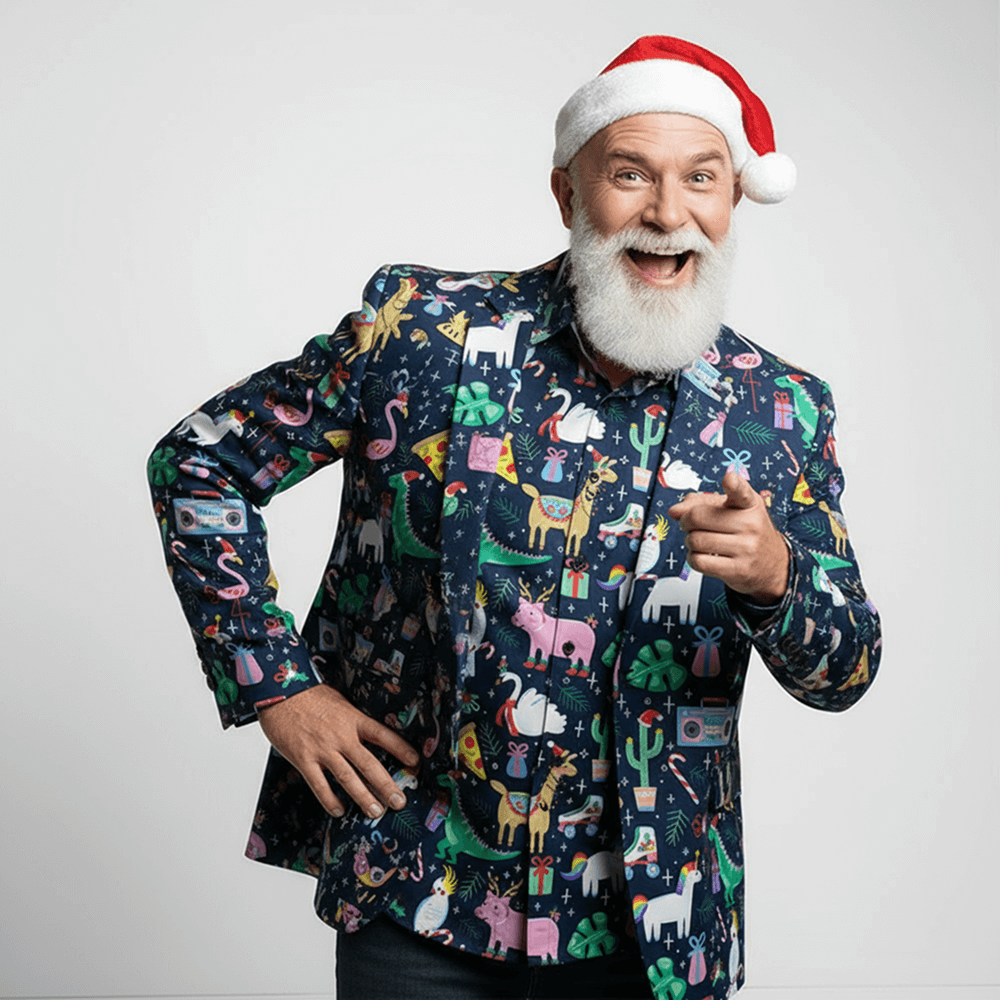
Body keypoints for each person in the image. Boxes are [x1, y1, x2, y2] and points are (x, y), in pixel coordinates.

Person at [148, 35, 880, 1000]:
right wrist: (276, 687)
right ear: (568, 195)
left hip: (649, 928)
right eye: (630, 174)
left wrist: (779, 580)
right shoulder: (422, 334)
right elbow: (201, 459)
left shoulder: (780, 408)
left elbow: (845, 674)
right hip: (419, 893)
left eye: (701, 178)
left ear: (733, 200)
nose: (668, 214)